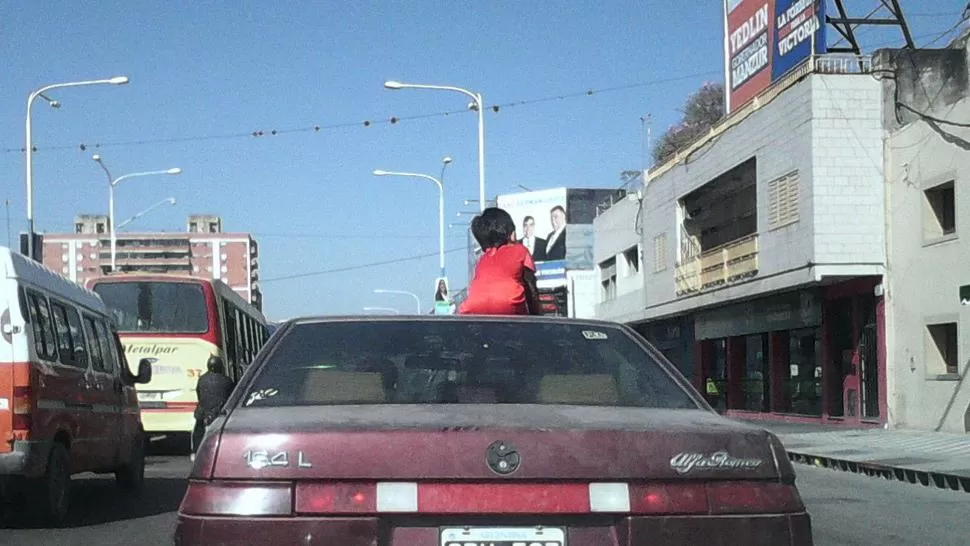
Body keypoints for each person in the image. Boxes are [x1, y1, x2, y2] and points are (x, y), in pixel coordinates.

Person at [459, 207, 542, 316]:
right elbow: (531, 291)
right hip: (508, 308)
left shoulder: (484, 258)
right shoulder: (521, 251)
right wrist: (538, 319)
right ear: (511, 233)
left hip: (472, 310)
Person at [192, 355, 234, 459]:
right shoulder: (227, 380)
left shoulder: (202, 380)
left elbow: (199, 395)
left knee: (198, 429)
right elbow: (231, 396)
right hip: (220, 413)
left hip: (204, 412)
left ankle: (196, 451)